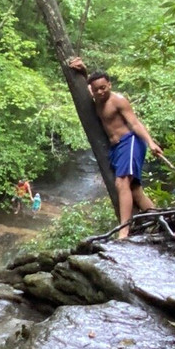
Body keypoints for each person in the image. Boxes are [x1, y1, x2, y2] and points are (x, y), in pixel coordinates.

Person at [68, 56, 163, 239]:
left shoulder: (118, 100)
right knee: (134, 190)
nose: (100, 92)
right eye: (97, 90)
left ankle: (124, 230)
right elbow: (86, 85)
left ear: (110, 85)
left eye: (104, 87)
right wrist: (83, 71)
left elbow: (135, 124)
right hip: (117, 148)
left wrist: (151, 143)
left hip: (131, 141)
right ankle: (162, 221)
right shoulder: (94, 96)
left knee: (122, 183)